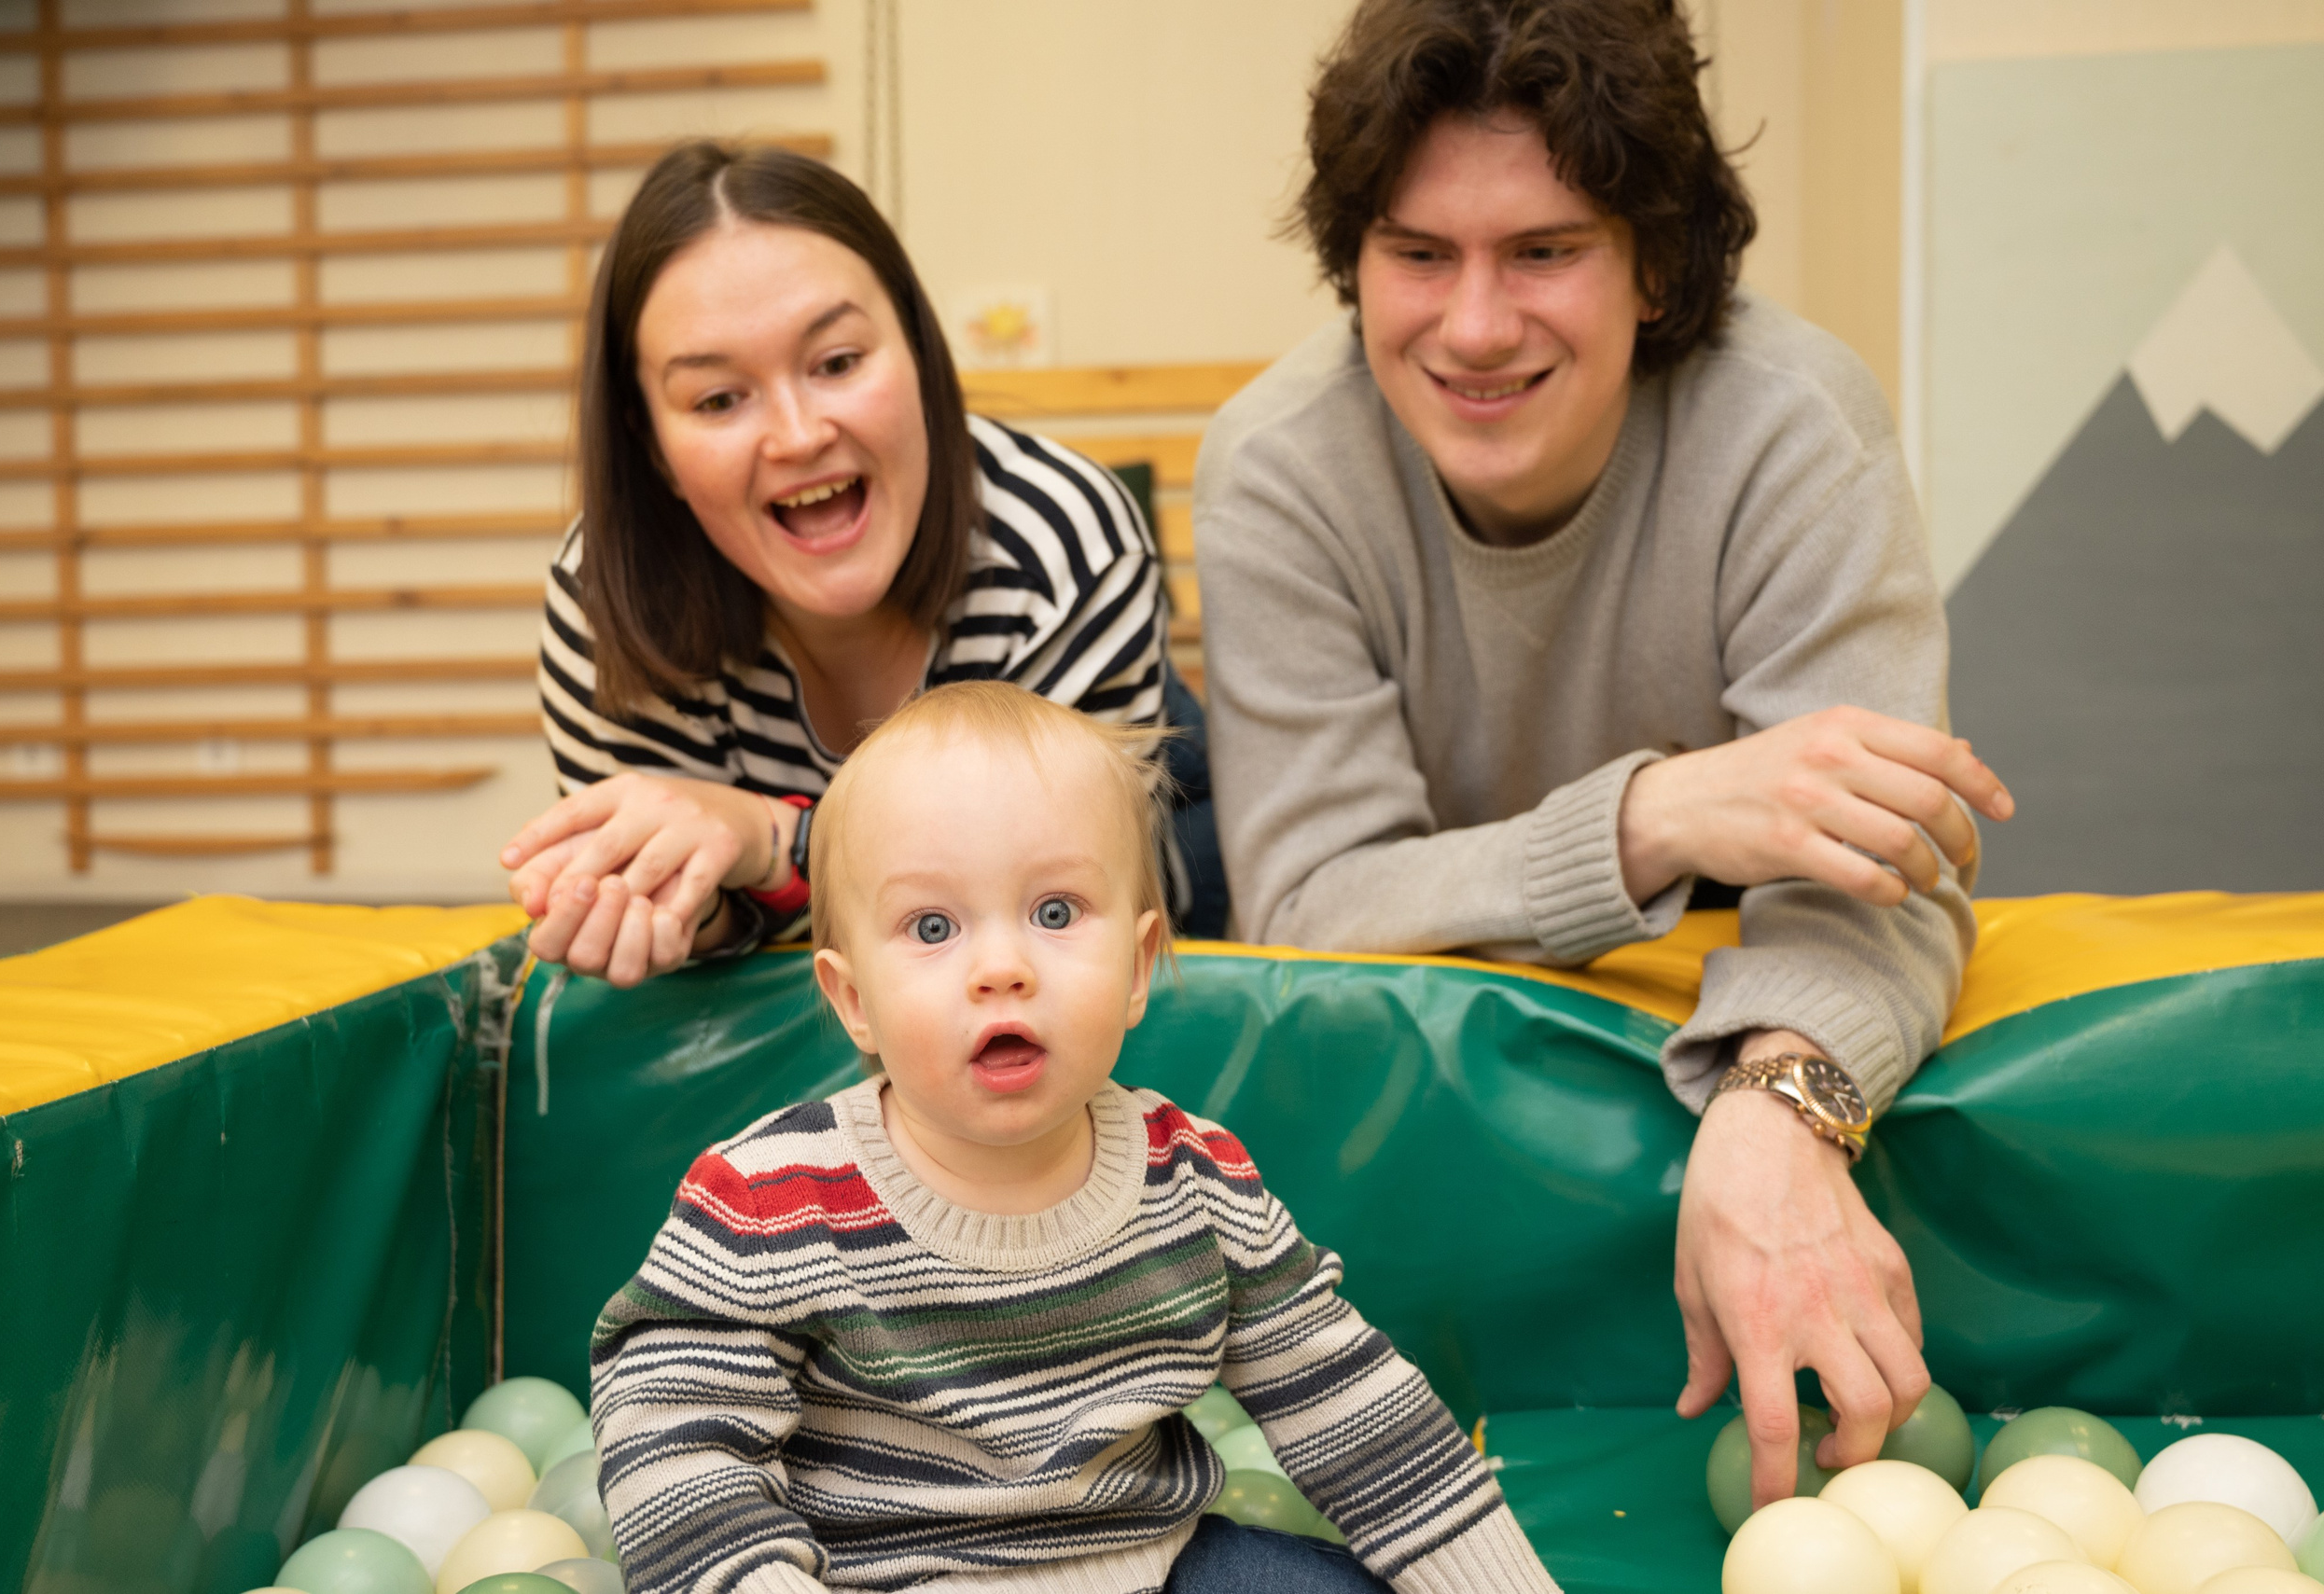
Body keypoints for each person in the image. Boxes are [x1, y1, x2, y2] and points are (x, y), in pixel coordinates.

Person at [1192, 0, 2016, 1511]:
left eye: (1545, 250)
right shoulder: (1277, 465)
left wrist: (1783, 1107)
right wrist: (1661, 811)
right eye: (1417, 252)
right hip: (1441, 1153)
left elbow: (1884, 865)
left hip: (1735, 1036)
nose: (1476, 323)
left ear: (1655, 262)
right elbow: (1310, 899)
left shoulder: (1791, 423)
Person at [589, 682, 1560, 1594]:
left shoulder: (1195, 1179)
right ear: (854, 1000)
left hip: (1156, 1562)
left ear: (1137, 965)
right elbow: (671, 1442)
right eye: (932, 926)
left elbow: (1359, 1416)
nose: (1002, 966)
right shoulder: (770, 1197)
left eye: (1055, 912)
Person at [501, 144, 1224, 988]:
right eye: (718, 398)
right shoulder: (608, 600)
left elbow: (1037, 910)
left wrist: (767, 838)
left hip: (1135, 877)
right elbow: (705, 917)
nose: (800, 434)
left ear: (918, 352)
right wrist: (680, 906)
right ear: (651, 445)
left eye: (838, 362)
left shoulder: (1068, 550)